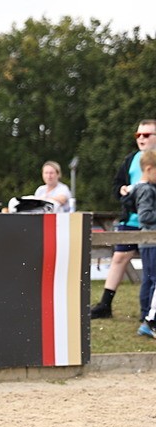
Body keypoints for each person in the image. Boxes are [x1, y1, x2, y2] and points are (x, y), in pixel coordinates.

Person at [90, 119, 156, 319]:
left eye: (146, 135)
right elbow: (117, 184)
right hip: (133, 218)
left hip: (152, 221)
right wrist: (122, 191)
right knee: (119, 258)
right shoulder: (131, 159)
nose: (141, 139)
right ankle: (105, 304)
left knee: (151, 271)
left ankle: (148, 313)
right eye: (138, 135)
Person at [127, 150, 156, 338]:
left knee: (150, 279)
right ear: (149, 169)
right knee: (153, 280)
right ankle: (149, 318)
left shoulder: (143, 188)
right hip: (151, 241)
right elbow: (145, 216)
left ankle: (148, 316)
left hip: (149, 241)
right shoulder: (146, 190)